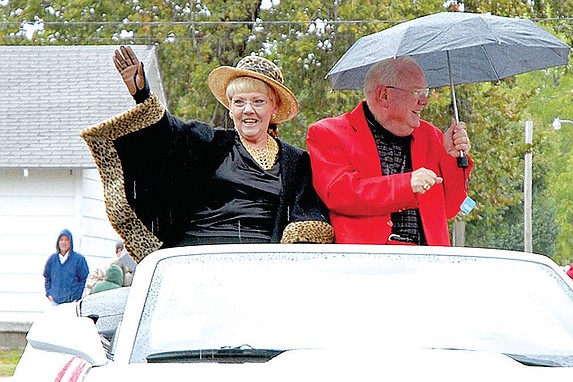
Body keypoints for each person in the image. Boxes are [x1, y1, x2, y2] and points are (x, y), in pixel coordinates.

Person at [81, 46, 333, 262]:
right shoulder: (208, 142)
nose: (248, 110)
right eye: (239, 102)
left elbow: (308, 214)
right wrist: (142, 93)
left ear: (274, 107)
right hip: (197, 257)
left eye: (258, 101)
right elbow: (167, 135)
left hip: (261, 264)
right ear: (231, 107)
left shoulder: (296, 162)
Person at [306, 57, 473, 245]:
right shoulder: (328, 133)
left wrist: (454, 158)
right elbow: (339, 194)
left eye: (425, 92)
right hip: (368, 262)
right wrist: (405, 185)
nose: (424, 101)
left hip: (429, 261)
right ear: (384, 95)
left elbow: (451, 208)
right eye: (417, 92)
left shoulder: (433, 137)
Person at [43, 229, 90, 305]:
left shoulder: (79, 259)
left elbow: (84, 279)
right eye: (61, 240)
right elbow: (47, 278)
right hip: (55, 302)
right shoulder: (52, 259)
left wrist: (77, 297)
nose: (63, 242)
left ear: (70, 242)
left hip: (72, 303)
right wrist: (49, 294)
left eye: (66, 240)